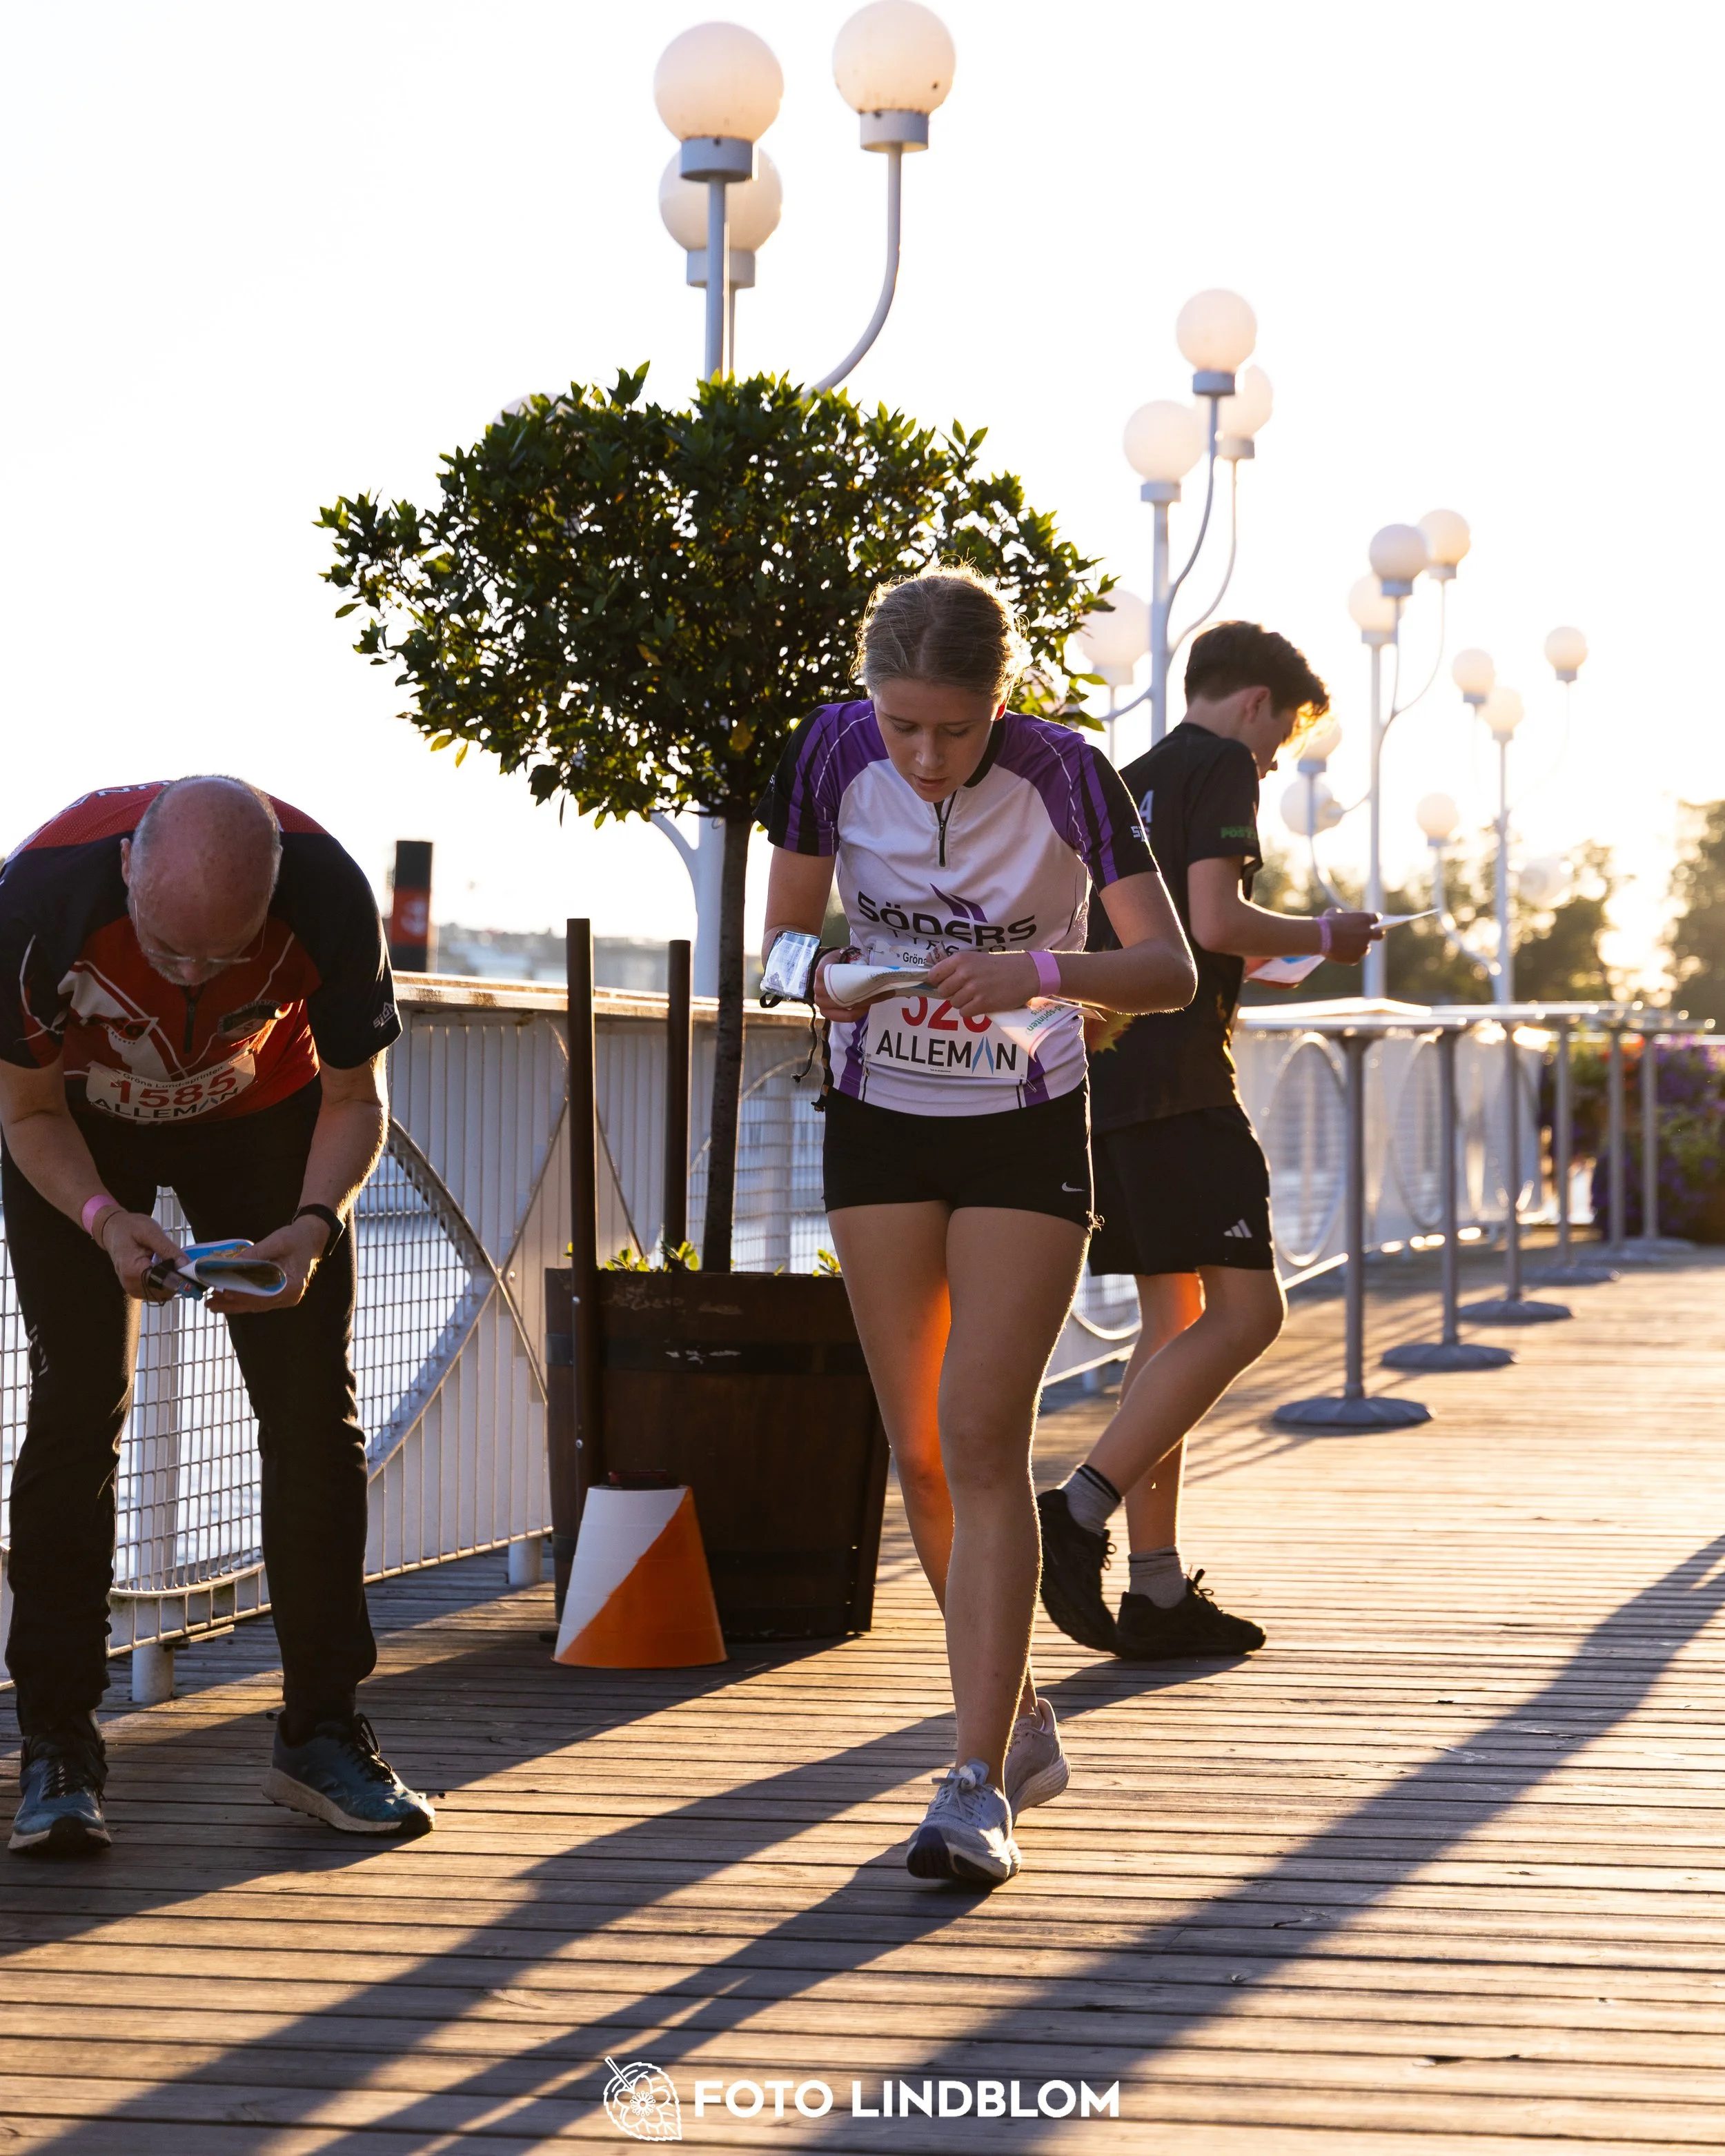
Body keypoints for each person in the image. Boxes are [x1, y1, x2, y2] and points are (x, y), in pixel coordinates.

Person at [758, 566, 1197, 1885]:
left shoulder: (1070, 772)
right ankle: (1021, 1727)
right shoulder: (831, 749)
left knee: (980, 1435)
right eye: (905, 726)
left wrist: (1041, 969)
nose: (927, 753)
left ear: (999, 702)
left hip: (1021, 1118)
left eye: (954, 726)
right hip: (878, 1116)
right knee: (922, 1454)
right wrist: (830, 978)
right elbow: (776, 952)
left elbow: (1167, 971)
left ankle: (970, 1784)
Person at [0, 776, 434, 1855]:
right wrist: (103, 1220)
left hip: (267, 1117)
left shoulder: (329, 890)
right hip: (80, 1127)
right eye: (166, 950)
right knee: (74, 1410)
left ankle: (322, 1733)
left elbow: (353, 1098)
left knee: (311, 1418)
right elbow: (24, 1107)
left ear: (273, 895)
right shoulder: (36, 901)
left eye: (221, 959)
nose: (191, 978)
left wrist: (316, 1222)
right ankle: (58, 1743)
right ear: (128, 872)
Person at [1036, 622, 1378, 1662]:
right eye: (1284, 738)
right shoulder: (1223, 763)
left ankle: (1156, 1587)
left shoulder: (1127, 776)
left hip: (1107, 1078)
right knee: (1249, 1312)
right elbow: (1216, 921)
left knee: (1170, 1326)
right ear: (1256, 704)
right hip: (1185, 1083)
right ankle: (1080, 1507)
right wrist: (1325, 937)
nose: (1275, 761)